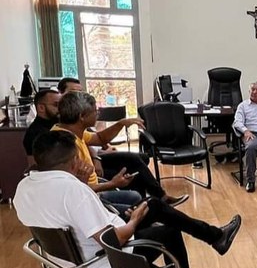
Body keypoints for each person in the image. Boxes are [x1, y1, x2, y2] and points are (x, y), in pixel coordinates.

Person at [14, 131, 242, 268]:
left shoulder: (24, 187)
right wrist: (133, 221)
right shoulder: (72, 191)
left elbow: (66, 214)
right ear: (74, 160)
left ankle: (216, 237)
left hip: (67, 266)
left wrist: (82, 183)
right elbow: (113, 241)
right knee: (168, 232)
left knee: (153, 205)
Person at [23, 88, 187, 207]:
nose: (98, 114)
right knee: (134, 187)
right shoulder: (63, 143)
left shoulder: (69, 129)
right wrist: (111, 183)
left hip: (91, 185)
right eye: (95, 111)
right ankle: (145, 212)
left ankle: (154, 203)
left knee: (133, 160)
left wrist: (121, 124)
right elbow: (78, 190)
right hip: (92, 196)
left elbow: (99, 138)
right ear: (81, 117)